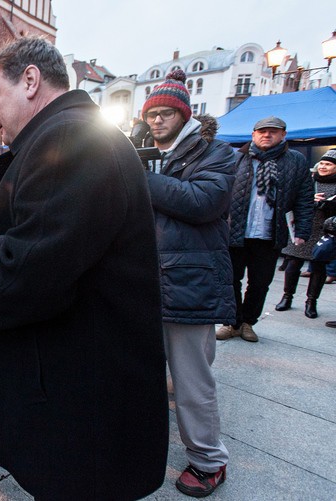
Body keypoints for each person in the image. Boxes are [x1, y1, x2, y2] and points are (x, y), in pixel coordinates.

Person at [0, 36, 168, 500]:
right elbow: (58, 240)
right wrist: (1, 241)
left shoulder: (68, 138)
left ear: (30, 80)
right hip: (83, 384)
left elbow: (28, 278)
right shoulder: (71, 132)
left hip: (81, 400)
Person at [142, 70, 234, 497]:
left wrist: (141, 178)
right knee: (150, 375)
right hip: (148, 281)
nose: (157, 121)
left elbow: (203, 201)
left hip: (189, 282)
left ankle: (209, 462)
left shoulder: (216, 153)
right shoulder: (147, 154)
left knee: (192, 381)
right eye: (152, 115)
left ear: (185, 114)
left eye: (166, 114)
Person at [216, 117, 314, 342]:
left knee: (260, 283)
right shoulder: (236, 157)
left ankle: (249, 322)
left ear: (283, 135)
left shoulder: (295, 161)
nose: (266, 135)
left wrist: (302, 231)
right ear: (253, 135)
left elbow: (304, 198)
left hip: (270, 234)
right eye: (262, 131)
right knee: (230, 280)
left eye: (272, 131)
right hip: (235, 232)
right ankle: (231, 322)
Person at [274, 149, 336, 318]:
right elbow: (292, 199)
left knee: (318, 267)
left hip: (325, 232)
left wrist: (330, 204)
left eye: (328, 164)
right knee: (293, 264)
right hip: (302, 228)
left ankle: (311, 302)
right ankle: (287, 297)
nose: (323, 167)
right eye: (322, 163)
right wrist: (311, 199)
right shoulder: (309, 180)